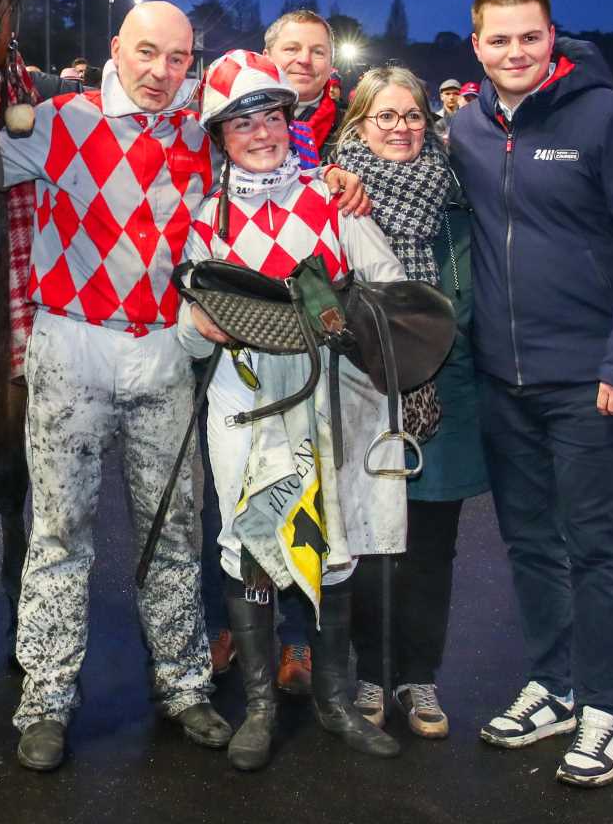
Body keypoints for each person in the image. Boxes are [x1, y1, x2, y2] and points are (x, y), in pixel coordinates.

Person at [0, 5, 373, 773]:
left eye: (177, 58)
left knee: (172, 533)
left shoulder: (200, 132)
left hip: (166, 352)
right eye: (147, 53)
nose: (160, 71)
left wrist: (334, 177)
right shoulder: (61, 120)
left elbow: (271, 169)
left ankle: (182, 687)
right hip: (72, 345)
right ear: (117, 48)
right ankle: (46, 700)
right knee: (60, 533)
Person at [447, 0, 613, 788]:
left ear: (553, 38)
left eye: (530, 37)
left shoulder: (610, 118)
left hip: (590, 382)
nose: (515, 52)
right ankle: (553, 685)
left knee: (595, 550)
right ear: (476, 46)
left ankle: (604, 708)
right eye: (499, 40)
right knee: (530, 545)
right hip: (501, 378)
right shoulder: (466, 127)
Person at [176, 51, 405, 772]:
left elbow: (389, 284)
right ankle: (260, 709)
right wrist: (202, 325)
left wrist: (343, 310)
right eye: (242, 123)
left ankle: (335, 704)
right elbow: (187, 334)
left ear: (288, 121)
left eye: (271, 117)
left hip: (329, 391)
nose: (261, 133)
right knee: (249, 543)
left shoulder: (330, 200)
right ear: (221, 136)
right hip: (243, 396)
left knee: (330, 541)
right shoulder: (206, 216)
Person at [331, 67, 488, 742]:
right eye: (386, 116)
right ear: (359, 123)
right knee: (367, 543)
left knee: (429, 545)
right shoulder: (334, 196)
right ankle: (370, 673)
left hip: (442, 390)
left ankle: (418, 676)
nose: (401, 128)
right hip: (360, 388)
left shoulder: (455, 193)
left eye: (413, 115)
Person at [263, 10, 341, 164]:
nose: (305, 60)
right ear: (267, 58)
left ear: (331, 64)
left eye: (318, 52)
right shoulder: (228, 122)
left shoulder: (355, 129)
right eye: (291, 49)